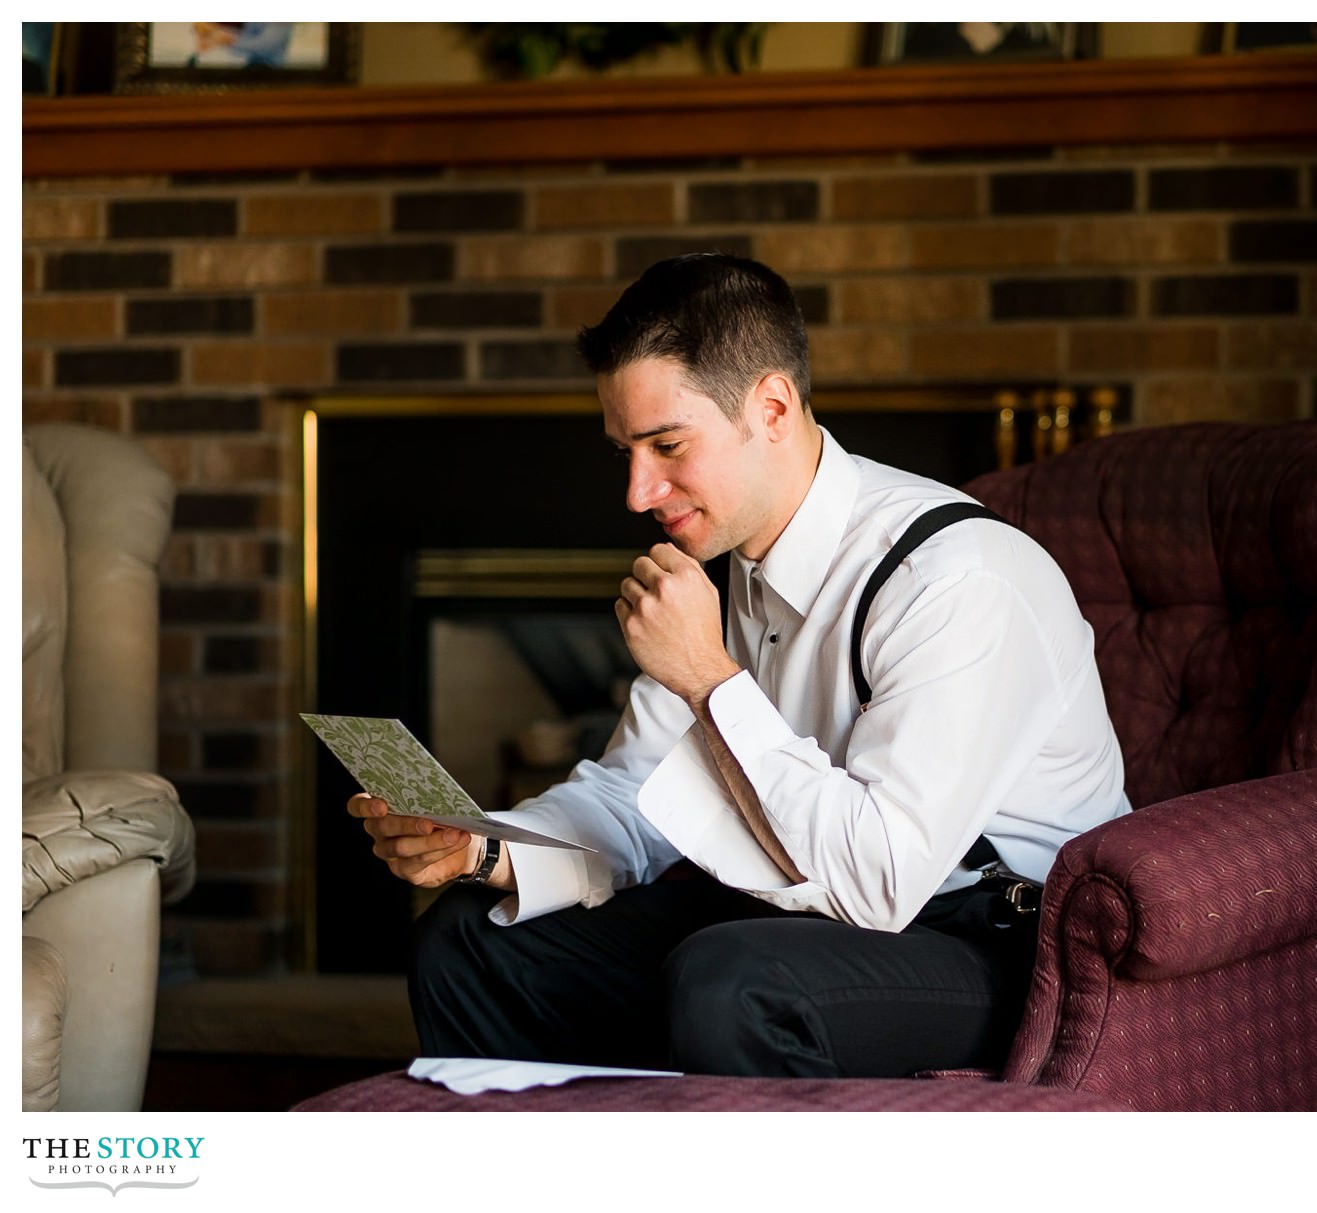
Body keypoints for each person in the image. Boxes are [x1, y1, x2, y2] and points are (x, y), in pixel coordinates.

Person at [349, 253, 1131, 1077]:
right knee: (466, 941)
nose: (638, 491)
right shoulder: (731, 556)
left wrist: (708, 679)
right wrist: (486, 850)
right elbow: (635, 789)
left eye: (667, 445)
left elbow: (881, 881)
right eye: (626, 452)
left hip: (989, 938)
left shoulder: (955, 579)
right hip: (792, 903)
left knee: (731, 985)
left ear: (771, 408)